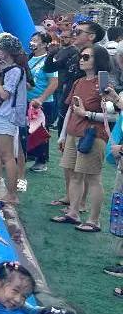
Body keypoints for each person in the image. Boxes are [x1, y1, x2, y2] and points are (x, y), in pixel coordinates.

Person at [52, 45, 114, 231]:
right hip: (73, 134)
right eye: (81, 55)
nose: (81, 59)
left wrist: (87, 114)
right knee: (74, 175)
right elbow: (71, 110)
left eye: (86, 57)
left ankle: (94, 221)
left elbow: (112, 116)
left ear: (98, 60)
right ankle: (73, 212)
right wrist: (62, 135)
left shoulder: (104, 85)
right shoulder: (79, 82)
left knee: (93, 178)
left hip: (92, 137)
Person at [0, 33, 29, 206]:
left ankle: (12, 194)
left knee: (7, 156)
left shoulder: (15, 70)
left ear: (7, 52)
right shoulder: (0, 66)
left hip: (6, 115)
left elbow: (4, 94)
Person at [27, 32, 59, 172]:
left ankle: (41, 160)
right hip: (28, 101)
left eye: (36, 40)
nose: (32, 42)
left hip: (43, 103)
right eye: (32, 39)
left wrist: (41, 99)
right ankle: (30, 154)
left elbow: (54, 83)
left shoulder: (49, 60)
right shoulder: (30, 57)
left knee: (39, 132)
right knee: (28, 130)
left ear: (45, 44)